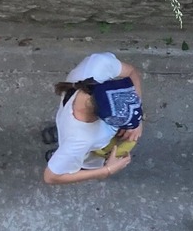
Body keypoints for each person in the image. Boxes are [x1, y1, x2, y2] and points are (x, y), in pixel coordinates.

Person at [42, 52, 144, 185]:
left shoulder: (99, 65)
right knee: (73, 156)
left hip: (67, 122)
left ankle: (60, 144)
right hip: (82, 148)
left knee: (65, 136)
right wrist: (107, 170)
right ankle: (62, 157)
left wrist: (137, 117)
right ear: (103, 118)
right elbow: (51, 177)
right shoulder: (80, 141)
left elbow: (131, 72)